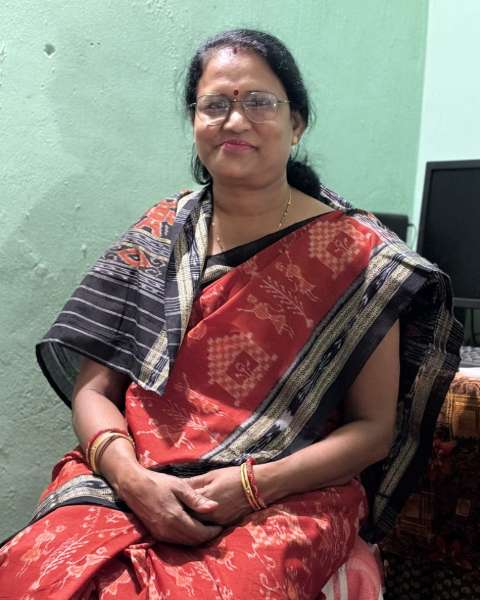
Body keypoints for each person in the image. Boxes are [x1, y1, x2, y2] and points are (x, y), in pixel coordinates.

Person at [0, 29, 461, 599]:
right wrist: (133, 481)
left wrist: (249, 486)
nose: (235, 121)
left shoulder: (358, 256)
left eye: (259, 102)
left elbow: (372, 432)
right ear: (194, 122)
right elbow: (94, 391)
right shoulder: (160, 234)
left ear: (297, 123)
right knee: (32, 577)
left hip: (286, 490)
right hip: (133, 475)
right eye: (215, 104)